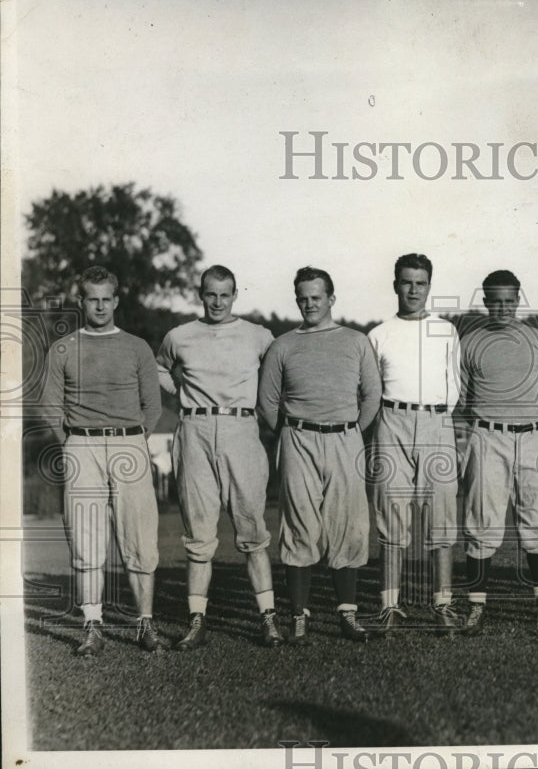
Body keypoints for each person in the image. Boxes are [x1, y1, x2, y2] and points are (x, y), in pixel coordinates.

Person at [41, 266, 170, 655]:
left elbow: (154, 406)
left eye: (105, 299)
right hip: (81, 447)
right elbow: (51, 406)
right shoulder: (63, 348)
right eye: (91, 299)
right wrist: (74, 443)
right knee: (86, 539)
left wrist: (131, 440)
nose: (99, 306)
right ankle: (92, 627)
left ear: (116, 301)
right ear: (81, 302)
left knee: (140, 539)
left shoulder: (136, 347)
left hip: (130, 444)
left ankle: (144, 625)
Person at [156, 265, 283, 649]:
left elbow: (281, 368)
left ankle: (269, 619)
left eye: (224, 294)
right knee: (199, 533)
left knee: (252, 530)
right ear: (201, 294)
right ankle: (197, 621)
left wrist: (268, 406)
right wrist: (177, 393)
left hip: (241, 431)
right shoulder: (180, 335)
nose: (217, 302)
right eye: (210, 294)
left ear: (234, 295)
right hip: (193, 431)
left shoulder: (258, 336)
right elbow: (159, 367)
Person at [257, 266, 382, 642]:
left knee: (348, 524)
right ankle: (299, 615)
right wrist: (292, 435)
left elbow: (372, 396)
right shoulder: (283, 345)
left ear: (331, 298)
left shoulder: (356, 341)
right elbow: (267, 403)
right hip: (298, 439)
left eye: (316, 297)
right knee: (299, 526)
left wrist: (351, 431)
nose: (310, 304)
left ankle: (347, 614)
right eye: (303, 298)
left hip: (345, 438)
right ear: (297, 300)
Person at [457, 270, 538, 634]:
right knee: (481, 519)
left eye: (510, 300)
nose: (504, 307)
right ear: (486, 301)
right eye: (496, 301)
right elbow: (462, 394)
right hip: (488, 436)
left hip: (532, 436)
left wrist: (525, 419)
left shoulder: (535, 338)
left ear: (518, 300)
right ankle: (476, 606)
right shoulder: (471, 340)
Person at [368, 253, 462, 635]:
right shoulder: (378, 333)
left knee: (441, 516)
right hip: (392, 422)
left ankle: (443, 604)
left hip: (437, 422)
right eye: (406, 282)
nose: (413, 289)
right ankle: (389, 604)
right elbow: (371, 389)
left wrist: (437, 417)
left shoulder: (446, 330)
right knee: (392, 514)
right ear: (395, 285)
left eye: (420, 283)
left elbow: (455, 383)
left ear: (429, 286)